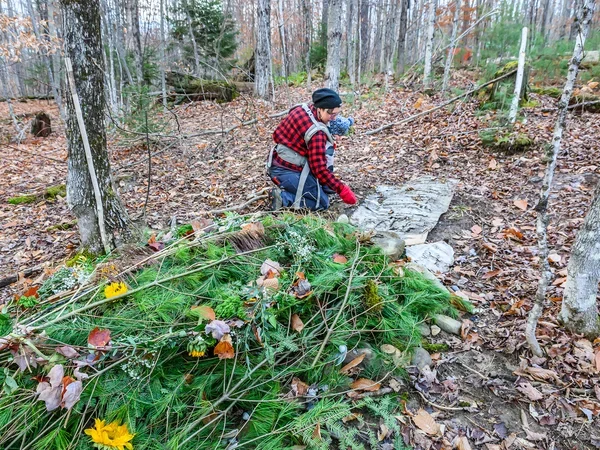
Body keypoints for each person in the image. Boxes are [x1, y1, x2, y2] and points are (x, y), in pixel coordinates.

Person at [266, 88, 358, 211]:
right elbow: (319, 169)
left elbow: (277, 134)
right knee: (321, 203)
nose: (334, 118)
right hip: (285, 171)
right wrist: (341, 189)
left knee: (322, 189)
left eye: (337, 114)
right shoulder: (317, 133)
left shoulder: (303, 109)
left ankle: (306, 186)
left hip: (276, 160)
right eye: (331, 114)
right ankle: (283, 198)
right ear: (320, 108)